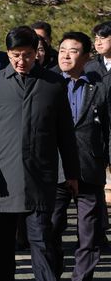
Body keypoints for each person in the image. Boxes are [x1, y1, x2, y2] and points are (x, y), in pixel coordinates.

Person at [0, 26, 81, 281]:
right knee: (4, 247)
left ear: (37, 53)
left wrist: (72, 174)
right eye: (15, 55)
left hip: (41, 178)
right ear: (7, 53)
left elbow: (65, 134)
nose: (21, 61)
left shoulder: (52, 84)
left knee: (42, 241)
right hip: (2, 180)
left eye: (27, 55)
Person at [51, 31, 109, 281]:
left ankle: (81, 278)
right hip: (55, 167)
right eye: (62, 49)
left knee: (89, 232)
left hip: (89, 166)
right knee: (50, 228)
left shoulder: (100, 86)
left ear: (86, 57)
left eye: (73, 51)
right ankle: (51, 273)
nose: (66, 55)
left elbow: (108, 126)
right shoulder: (48, 83)